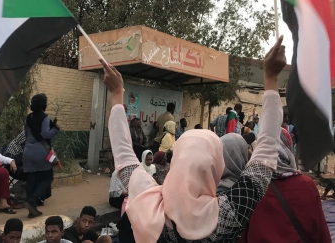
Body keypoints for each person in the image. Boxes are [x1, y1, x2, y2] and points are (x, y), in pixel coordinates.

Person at [99, 35, 286, 242]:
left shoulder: (151, 200)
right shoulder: (229, 212)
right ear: (216, 166)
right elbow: (266, 153)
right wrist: (271, 78)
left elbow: (124, 157)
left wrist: (117, 94)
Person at [239, 128, 331, 243]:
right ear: (288, 149)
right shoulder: (306, 186)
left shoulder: (250, 186)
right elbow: (320, 231)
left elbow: (243, 234)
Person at [23, 94, 59, 218]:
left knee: (31, 178)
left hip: (27, 151)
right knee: (47, 177)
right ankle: (32, 200)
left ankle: (31, 211)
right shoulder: (45, 118)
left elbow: (26, 134)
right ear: (44, 104)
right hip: (40, 151)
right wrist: (55, 129)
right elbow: (45, 134)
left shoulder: (28, 117)